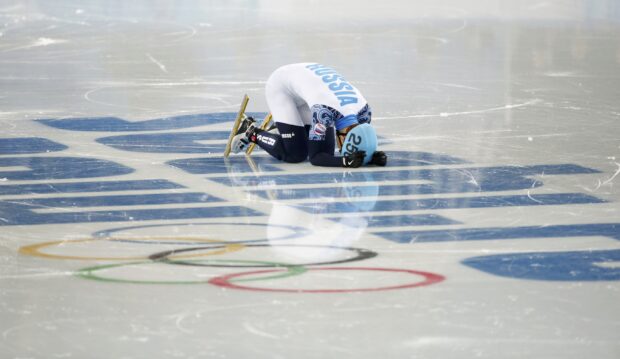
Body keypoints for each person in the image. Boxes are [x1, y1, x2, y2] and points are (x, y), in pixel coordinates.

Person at [231, 63, 387, 168]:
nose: (341, 148)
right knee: (296, 154)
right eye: (343, 145)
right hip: (281, 87)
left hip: (308, 80)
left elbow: (359, 139)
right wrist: (345, 161)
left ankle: (283, 129)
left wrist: (370, 157)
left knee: (317, 146)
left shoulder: (364, 111)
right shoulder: (324, 112)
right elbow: (316, 157)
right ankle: (252, 133)